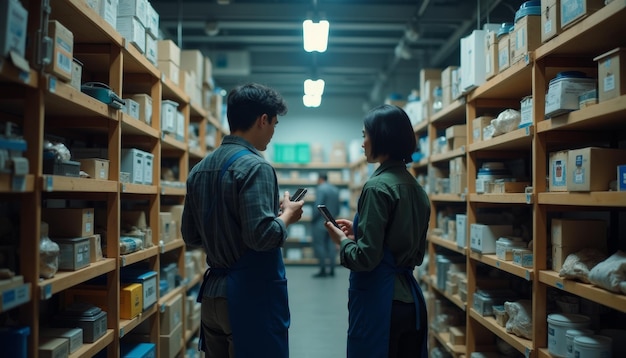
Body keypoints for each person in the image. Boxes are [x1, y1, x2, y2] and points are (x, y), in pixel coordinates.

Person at [181, 83, 304, 358]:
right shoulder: (256, 167)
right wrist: (287, 215)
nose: (273, 132)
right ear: (263, 120)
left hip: (213, 297)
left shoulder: (198, 170)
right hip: (249, 297)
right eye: (274, 123)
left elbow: (191, 237)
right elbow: (261, 237)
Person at [323, 104, 430, 358]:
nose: (362, 144)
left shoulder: (376, 187)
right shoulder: (416, 188)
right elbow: (405, 247)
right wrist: (359, 231)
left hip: (382, 304)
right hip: (410, 304)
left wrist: (342, 241)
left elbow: (366, 259)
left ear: (381, 137)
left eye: (364, 136)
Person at [311, 171, 341, 278]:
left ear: (320, 179)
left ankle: (323, 269)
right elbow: (338, 208)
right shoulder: (335, 189)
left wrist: (313, 218)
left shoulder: (321, 188)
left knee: (320, 245)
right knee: (331, 245)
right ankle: (332, 269)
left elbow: (318, 206)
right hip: (332, 221)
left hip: (320, 222)